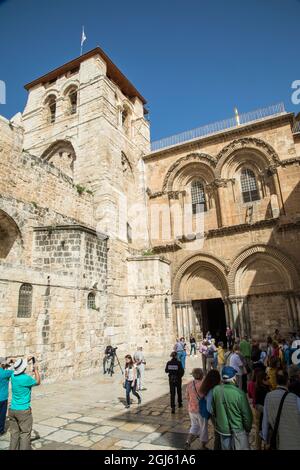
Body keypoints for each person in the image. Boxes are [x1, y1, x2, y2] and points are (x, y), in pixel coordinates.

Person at [212, 366, 253, 450]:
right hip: (238, 430)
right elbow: (247, 415)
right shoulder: (239, 393)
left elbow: (213, 410)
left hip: (223, 430)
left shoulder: (216, 390)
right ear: (233, 378)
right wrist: (247, 428)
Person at [262, 369, 300, 450]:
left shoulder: (268, 397)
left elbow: (265, 421)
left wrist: (264, 439)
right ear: (288, 381)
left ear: (276, 381)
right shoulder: (296, 398)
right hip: (296, 441)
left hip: (278, 441)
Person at [9, 356, 41, 450]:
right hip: (23, 411)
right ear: (23, 368)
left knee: (14, 434)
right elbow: (38, 381)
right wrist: (36, 370)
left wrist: (26, 360)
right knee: (25, 434)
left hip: (12, 409)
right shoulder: (26, 379)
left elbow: (16, 364)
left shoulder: (13, 376)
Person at [185, 368, 207, 450]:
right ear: (201, 375)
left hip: (191, 409)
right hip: (201, 410)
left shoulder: (190, 384)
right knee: (203, 427)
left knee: (194, 426)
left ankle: (188, 442)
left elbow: (187, 397)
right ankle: (203, 446)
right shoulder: (203, 384)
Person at [199, 369, 221, 450]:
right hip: (216, 416)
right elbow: (209, 407)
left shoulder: (209, 388)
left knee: (218, 433)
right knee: (218, 434)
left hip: (214, 416)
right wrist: (217, 414)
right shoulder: (212, 390)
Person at [254, 370, 271, 450]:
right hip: (261, 414)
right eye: (267, 378)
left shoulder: (266, 388)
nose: (268, 379)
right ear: (262, 380)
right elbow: (257, 404)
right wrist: (266, 410)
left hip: (264, 413)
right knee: (260, 431)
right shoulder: (259, 389)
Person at [0, 357, 13, 435]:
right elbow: (16, 371)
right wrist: (8, 364)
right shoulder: (6, 373)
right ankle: (1, 430)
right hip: (3, 398)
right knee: (2, 414)